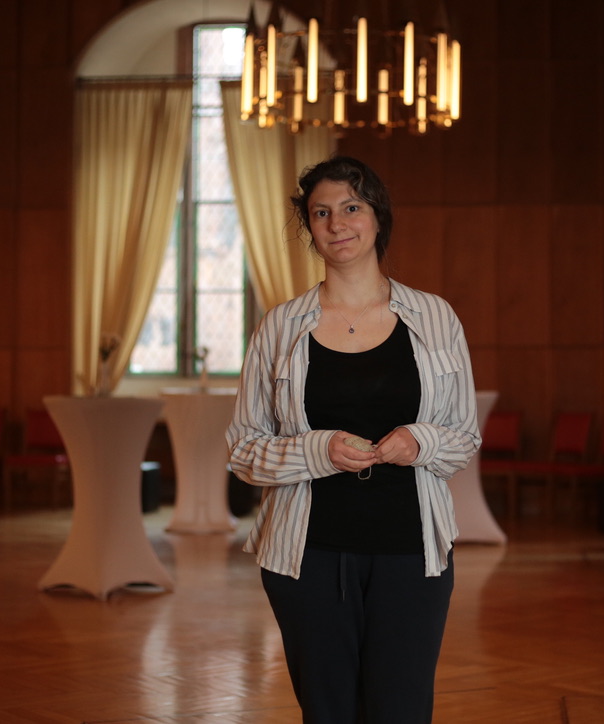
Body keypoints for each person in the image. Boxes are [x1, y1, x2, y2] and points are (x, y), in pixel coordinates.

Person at [226, 155, 480, 723]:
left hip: (412, 554)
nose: (337, 223)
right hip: (307, 558)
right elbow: (243, 449)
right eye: (321, 212)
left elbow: (464, 436)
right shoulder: (279, 327)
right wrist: (317, 450)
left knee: (401, 711)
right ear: (309, 227)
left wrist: (420, 441)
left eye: (351, 207)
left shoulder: (435, 318)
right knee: (329, 713)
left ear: (377, 217)